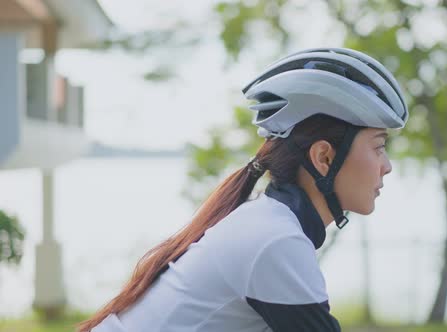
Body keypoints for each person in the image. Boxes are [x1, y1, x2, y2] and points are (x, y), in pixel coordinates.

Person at [78, 47, 408, 332]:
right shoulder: (277, 240)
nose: (387, 165)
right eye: (379, 147)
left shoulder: (267, 222)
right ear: (324, 157)